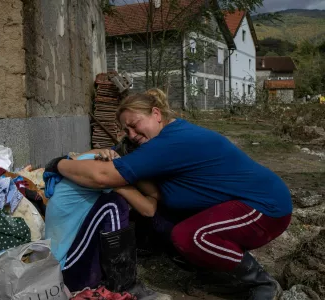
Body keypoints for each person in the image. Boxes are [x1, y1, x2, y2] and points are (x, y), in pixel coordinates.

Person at [55, 92, 293, 300]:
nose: (132, 134)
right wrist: (83, 155)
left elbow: (103, 176)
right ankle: (220, 274)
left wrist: (58, 165)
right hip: (232, 204)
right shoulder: (159, 138)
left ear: (156, 114)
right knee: (163, 222)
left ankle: (262, 282)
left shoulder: (171, 142)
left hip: (264, 207)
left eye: (135, 124)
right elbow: (111, 154)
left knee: (191, 236)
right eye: (126, 130)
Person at [44, 151, 170, 300]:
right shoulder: (102, 171)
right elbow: (148, 209)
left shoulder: (97, 160)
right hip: (65, 271)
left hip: (65, 260)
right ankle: (125, 286)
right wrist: (150, 194)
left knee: (113, 202)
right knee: (114, 204)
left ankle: (108, 278)